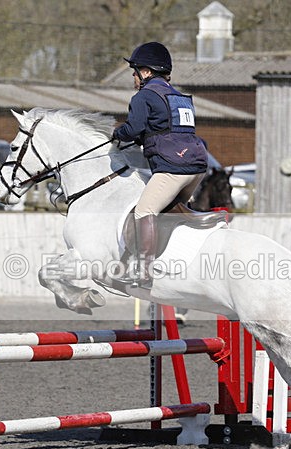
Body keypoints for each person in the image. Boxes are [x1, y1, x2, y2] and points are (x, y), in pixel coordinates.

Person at [112, 42, 209, 289]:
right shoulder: (179, 97)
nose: (133, 77)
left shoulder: (144, 96)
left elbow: (133, 129)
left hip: (172, 167)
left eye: (135, 71)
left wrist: (117, 133)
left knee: (145, 211)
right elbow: (164, 128)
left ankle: (143, 271)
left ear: (146, 72)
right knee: (170, 214)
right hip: (196, 167)